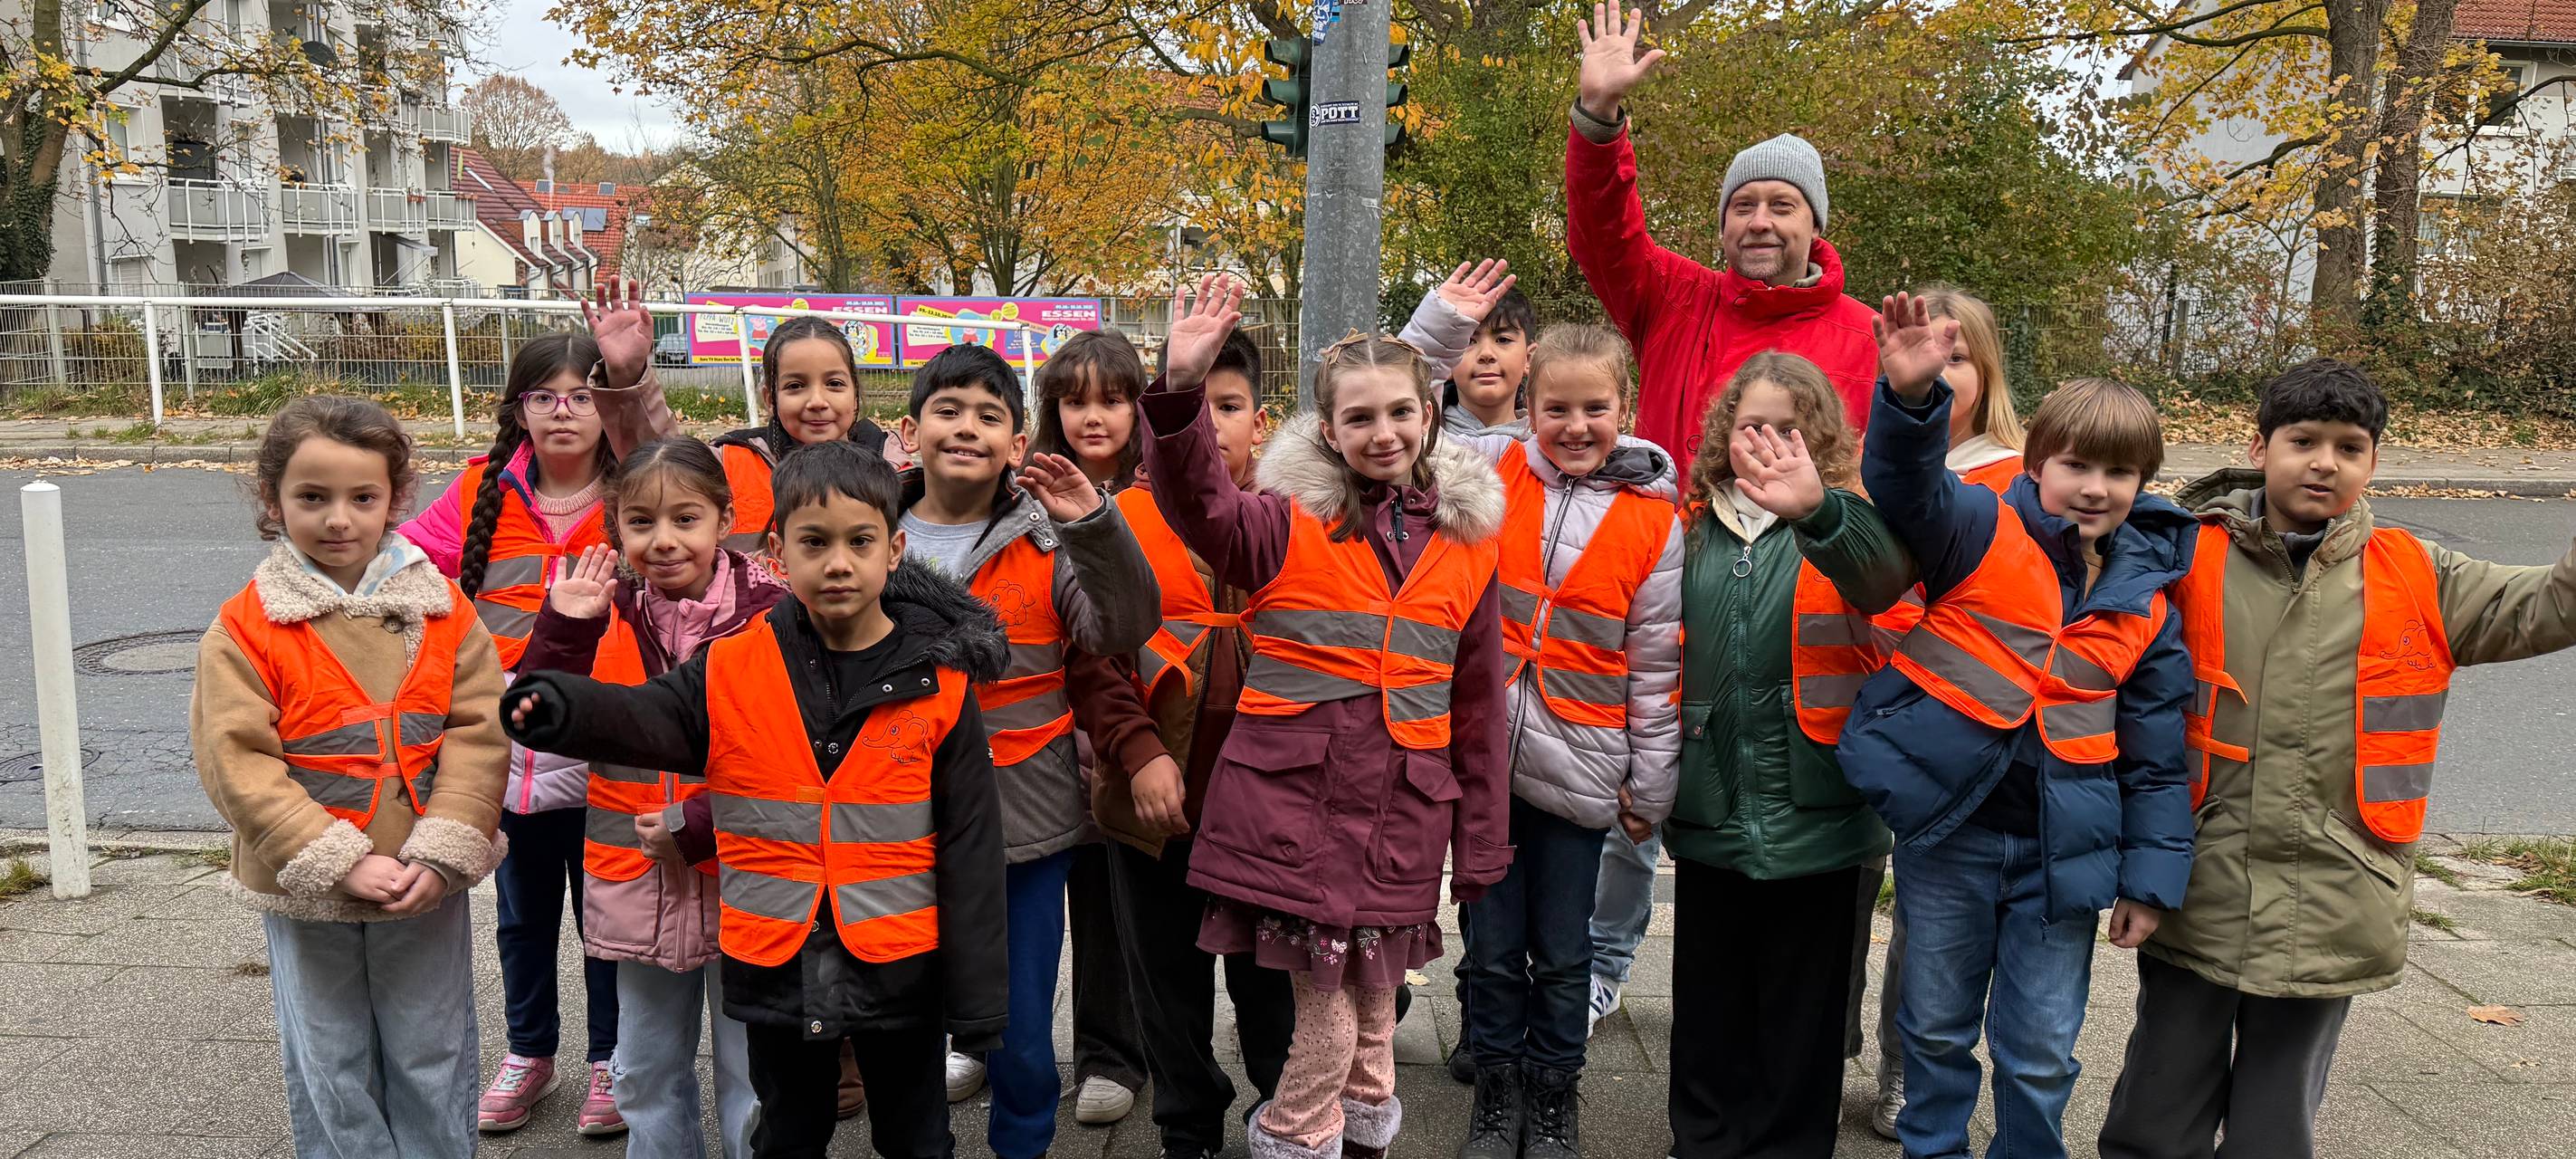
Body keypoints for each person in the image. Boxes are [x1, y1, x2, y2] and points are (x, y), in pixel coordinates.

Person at [2097, 359, 2576, 1159]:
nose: (2324, 462)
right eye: (2304, 441)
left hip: (2338, 889)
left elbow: (2550, 606)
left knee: (2275, 1125)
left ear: (2373, 462)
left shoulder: (2419, 573)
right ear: (2260, 445)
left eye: (2349, 447)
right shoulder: (2185, 556)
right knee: (2159, 1102)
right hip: (2196, 879)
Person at [502, 439, 1012, 1159]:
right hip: (777, 961)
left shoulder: (940, 683)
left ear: (894, 549)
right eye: (814, 541)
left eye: (860, 541)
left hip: (901, 968)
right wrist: (552, 701)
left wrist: (980, 1002)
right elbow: (646, 718)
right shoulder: (733, 665)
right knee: (788, 1134)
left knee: (917, 1136)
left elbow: (971, 849)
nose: (838, 562)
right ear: (777, 552)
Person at [1139, 273, 1513, 1159]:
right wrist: (1179, 391)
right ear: (1327, 431)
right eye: (1358, 418)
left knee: (1375, 1016)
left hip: (1400, 823)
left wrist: (1484, 842)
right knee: (1329, 1020)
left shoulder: (1469, 542)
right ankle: (1299, 1136)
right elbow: (1196, 500)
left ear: (1428, 412)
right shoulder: (1280, 522)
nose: (1381, 432)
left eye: (1398, 412)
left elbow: (1478, 703)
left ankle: (1360, 1139)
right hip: (1292, 817)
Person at [1840, 294, 2198, 1159]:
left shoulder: (2147, 598)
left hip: (2061, 858)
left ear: (2144, 484)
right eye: (2076, 464)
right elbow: (1906, 490)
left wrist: (2149, 879)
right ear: (2035, 462)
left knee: (2039, 1052)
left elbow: (2156, 758)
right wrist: (1913, 401)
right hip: (1952, 839)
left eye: (2119, 474)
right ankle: (1934, 1149)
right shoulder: (1982, 528)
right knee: (1932, 1030)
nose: (2096, 488)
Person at [194, 396, 509, 1159]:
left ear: (394, 499)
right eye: (312, 498)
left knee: (431, 1051)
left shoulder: (444, 610)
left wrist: (443, 850)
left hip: (419, 876)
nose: (339, 519)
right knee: (330, 1057)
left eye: (362, 498)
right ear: (273, 501)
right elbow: (235, 757)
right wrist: (332, 858)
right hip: (306, 883)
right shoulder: (247, 625)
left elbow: (480, 731)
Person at [892, 343, 1162, 1159]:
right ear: (910, 432)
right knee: (908, 1017)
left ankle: (1023, 1144)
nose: (966, 428)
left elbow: (1122, 626)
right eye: (947, 410)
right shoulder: (870, 531)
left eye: (988, 415)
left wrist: (1091, 524)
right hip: (899, 824)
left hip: (1028, 826)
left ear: (1017, 443)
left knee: (1020, 1026)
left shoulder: (1050, 540)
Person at [1651, 351, 1917, 1159]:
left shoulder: (1848, 517)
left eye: (1789, 429)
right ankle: (1703, 1137)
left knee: (1804, 1001)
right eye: (1750, 427)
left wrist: (1819, 513)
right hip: (1710, 795)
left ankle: (1789, 1143)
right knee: (1708, 992)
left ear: (1821, 439)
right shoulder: (1688, 521)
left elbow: (1883, 584)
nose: (1767, 443)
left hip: (1821, 801)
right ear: (1721, 434)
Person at [1442, 323, 1682, 1159]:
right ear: (1526, 406)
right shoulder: (1493, 474)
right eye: (1556, 408)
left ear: (1627, 407)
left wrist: (1652, 783)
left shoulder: (1656, 522)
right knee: (1495, 946)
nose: (1576, 426)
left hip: (1581, 766)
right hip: (1484, 757)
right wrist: (1439, 329)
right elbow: (1400, 433)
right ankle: (1496, 1095)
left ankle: (1554, 1100)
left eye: (1596, 408)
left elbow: (1656, 665)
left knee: (1566, 947)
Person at [516, 439, 791, 1159]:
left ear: (725, 519)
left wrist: (696, 825)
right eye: (641, 523)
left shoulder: (775, 618)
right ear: (617, 530)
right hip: (636, 887)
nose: (663, 541)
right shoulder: (602, 613)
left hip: (747, 883)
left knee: (755, 1076)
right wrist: (561, 630)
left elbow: (789, 755)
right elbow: (534, 716)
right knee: (643, 1074)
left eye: (686, 519)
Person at [1073, 326, 1299, 1159]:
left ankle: (1287, 1112)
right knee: (1166, 981)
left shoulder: (1292, 522)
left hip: (1270, 809)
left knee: (1270, 980)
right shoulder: (1119, 518)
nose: (1213, 426)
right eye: (1195, 407)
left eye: (1229, 407)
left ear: (1261, 420)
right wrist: (1139, 754)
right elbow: (1092, 660)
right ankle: (1187, 1125)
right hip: (1152, 805)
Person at [401, 327, 632, 1136]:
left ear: (607, 407)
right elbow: (399, 569)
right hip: (506, 757)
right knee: (521, 915)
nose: (563, 413)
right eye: (544, 397)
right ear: (519, 409)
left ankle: (612, 1061)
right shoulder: (478, 492)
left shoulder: (633, 493)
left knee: (607, 916)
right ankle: (530, 1052)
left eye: (581, 396)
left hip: (603, 749)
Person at [1852, 282, 2028, 1139]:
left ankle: (1903, 1063)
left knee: (1927, 913)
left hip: (1948, 716)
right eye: (1929, 354)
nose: (1941, 370)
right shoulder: (1870, 463)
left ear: (1988, 375)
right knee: (1851, 884)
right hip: (1865, 701)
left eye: (1959, 358)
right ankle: (1832, 1037)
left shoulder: (2017, 478)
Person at [1564, 3, 1883, 477]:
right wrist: (1598, 116)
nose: (1758, 222)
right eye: (1742, 206)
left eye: (1781, 206)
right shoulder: (1673, 296)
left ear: (1815, 226)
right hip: (1669, 546)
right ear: (1723, 225)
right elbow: (1604, 231)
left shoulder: (1870, 336)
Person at [997, 326, 1159, 1125]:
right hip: (1029, 737)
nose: (1093, 416)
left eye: (1113, 398)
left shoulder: (1157, 492)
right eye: (1074, 399)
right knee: (1007, 900)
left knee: (1106, 904)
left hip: (1120, 730)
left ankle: (1110, 1052)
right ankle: (984, 1037)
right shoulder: (1017, 497)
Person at [706, 314, 913, 553]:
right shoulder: (728, 463)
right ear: (770, 398)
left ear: (855, 394)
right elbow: (661, 472)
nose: (817, 401)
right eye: (795, 386)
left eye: (834, 384)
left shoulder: (895, 469)